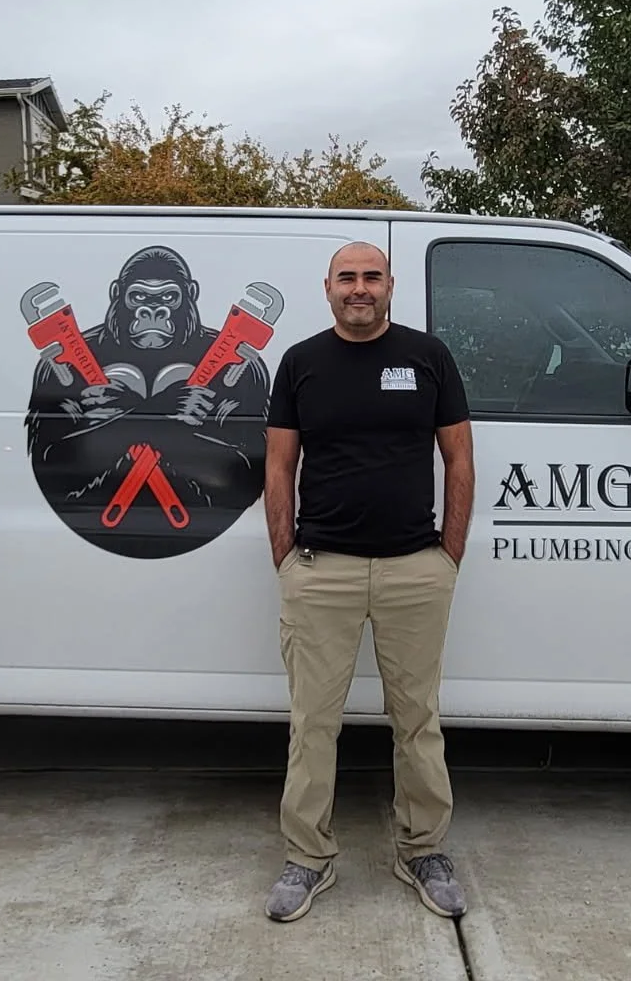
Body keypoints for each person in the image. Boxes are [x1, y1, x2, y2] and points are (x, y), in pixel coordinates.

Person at [261, 240, 475, 922]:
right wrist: (285, 557)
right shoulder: (300, 363)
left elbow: (460, 459)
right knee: (312, 723)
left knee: (417, 721)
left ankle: (422, 850)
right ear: (327, 287)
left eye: (371, 277)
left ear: (391, 286)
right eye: (347, 278)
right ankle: (307, 858)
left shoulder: (428, 358)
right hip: (323, 570)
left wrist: (449, 555)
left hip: (416, 568)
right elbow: (277, 468)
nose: (360, 288)